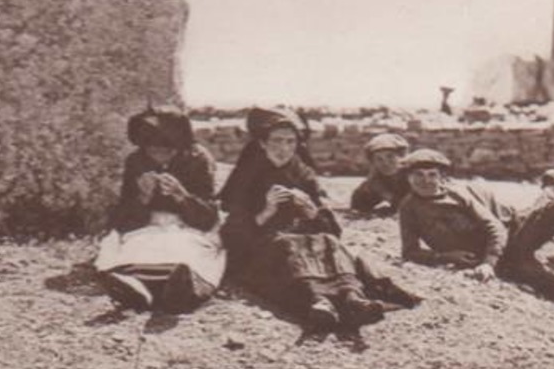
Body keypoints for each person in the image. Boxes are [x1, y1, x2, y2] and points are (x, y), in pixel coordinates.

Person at [219, 106, 421, 332]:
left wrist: (312, 211)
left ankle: (353, 299)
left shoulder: (303, 174)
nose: (283, 148)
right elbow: (231, 234)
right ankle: (318, 301)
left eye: (290, 142)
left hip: (307, 241)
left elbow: (333, 230)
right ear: (262, 144)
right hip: (262, 248)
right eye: (276, 141)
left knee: (330, 243)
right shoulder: (247, 176)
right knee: (287, 245)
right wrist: (266, 211)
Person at [395, 148, 554, 310]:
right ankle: (550, 190)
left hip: (512, 238)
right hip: (504, 259)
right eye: (418, 175)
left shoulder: (457, 193)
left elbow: (494, 226)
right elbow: (410, 251)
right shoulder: (409, 208)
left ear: (441, 177)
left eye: (432, 175)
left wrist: (488, 263)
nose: (426, 181)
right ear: (407, 178)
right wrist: (445, 256)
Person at [95, 107, 225, 313]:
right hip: (148, 226)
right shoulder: (136, 161)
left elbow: (208, 218)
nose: (160, 156)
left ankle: (184, 289)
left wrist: (182, 197)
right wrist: (142, 198)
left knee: (188, 251)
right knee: (136, 246)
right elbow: (122, 217)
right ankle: (137, 289)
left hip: (188, 227)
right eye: (152, 150)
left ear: (179, 147)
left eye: (167, 150)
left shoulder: (199, 159)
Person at [348, 132, 410, 216]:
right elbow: (357, 204)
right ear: (373, 163)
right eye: (379, 159)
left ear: (401, 157)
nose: (386, 163)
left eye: (390, 156)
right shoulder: (374, 180)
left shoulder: (413, 175)